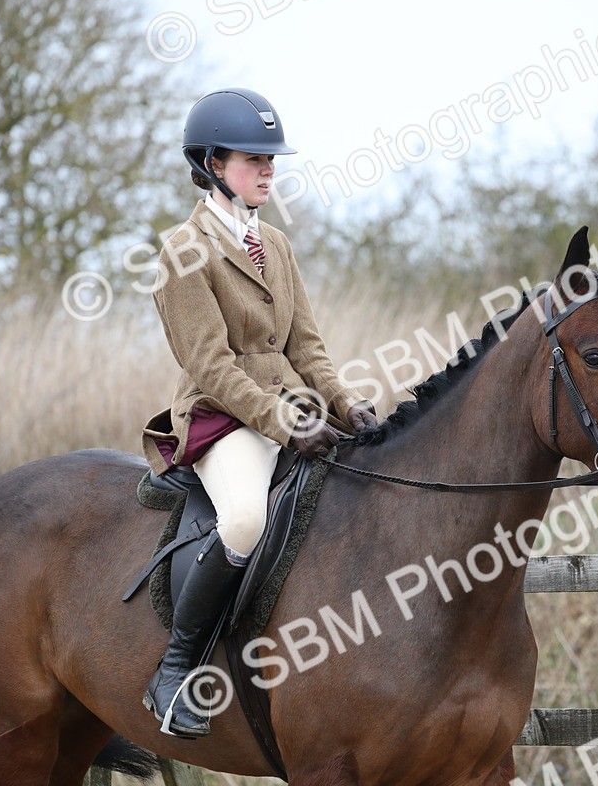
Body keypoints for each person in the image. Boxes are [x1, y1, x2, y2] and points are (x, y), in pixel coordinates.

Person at [139, 88, 377, 738]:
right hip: (225, 420)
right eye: (255, 160)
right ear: (214, 163)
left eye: (272, 160)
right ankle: (175, 669)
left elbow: (305, 344)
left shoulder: (274, 241)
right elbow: (212, 368)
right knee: (245, 519)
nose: (269, 171)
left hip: (293, 413)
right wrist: (285, 423)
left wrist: (347, 405)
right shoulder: (182, 252)